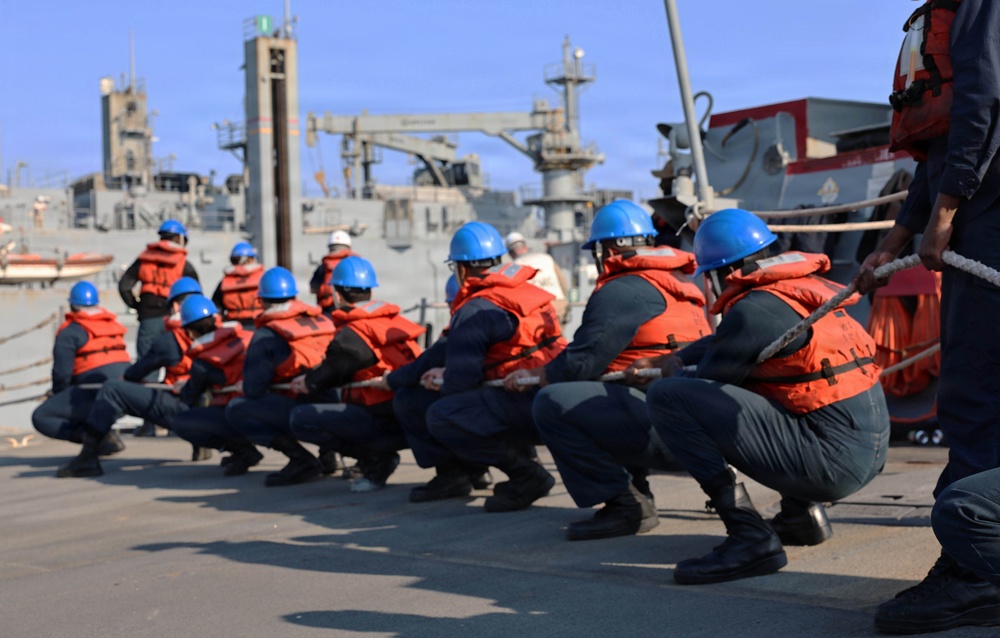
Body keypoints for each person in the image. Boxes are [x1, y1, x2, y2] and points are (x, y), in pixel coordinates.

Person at [639, 208, 888, 585]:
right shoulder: (799, 293)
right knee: (784, 385)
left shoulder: (752, 310)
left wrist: (673, 371)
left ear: (724, 273)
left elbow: (706, 384)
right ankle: (801, 518)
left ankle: (749, 538)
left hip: (833, 466)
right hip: (868, 453)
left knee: (670, 398)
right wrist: (677, 356)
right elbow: (724, 344)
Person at [853, 1, 1000, 633]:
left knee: (974, 392)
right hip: (976, 199)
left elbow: (982, 101)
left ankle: (975, 573)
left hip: (988, 209)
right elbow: (942, 132)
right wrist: (902, 230)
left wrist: (946, 210)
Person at [510, 200, 711, 540]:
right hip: (701, 417)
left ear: (608, 248)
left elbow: (582, 362)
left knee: (554, 401)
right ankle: (638, 492)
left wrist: (541, 375)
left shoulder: (622, 289)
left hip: (671, 431)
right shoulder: (680, 279)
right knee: (610, 393)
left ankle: (624, 505)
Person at [417, 221, 567, 512]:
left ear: (460, 269)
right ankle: (525, 463)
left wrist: (441, 379)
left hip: (526, 401)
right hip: (553, 388)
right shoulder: (524, 291)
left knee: (443, 414)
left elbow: (461, 383)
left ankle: (526, 475)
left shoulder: (474, 308)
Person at [289, 256, 425, 492]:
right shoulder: (393, 321)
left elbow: (330, 373)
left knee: (302, 418)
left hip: (383, 421)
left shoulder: (351, 335)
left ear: (337, 295)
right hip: (414, 417)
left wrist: (308, 383)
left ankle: (376, 459)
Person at [55, 277, 209, 478]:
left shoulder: (169, 341)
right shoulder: (228, 335)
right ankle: (237, 448)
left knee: (112, 389)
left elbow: (134, 374)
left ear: (176, 306)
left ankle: (88, 457)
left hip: (190, 413)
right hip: (223, 412)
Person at [225, 266, 336, 486]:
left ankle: (301, 460)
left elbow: (254, 389)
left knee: (238, 409)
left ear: (261, 301)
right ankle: (329, 454)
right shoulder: (322, 321)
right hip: (339, 404)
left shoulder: (266, 335)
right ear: (295, 296)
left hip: (304, 410)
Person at [33, 281, 132, 472]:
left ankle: (99, 440)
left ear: (72, 305)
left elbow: (62, 374)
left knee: (42, 416)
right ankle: (103, 435)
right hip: (126, 393)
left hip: (95, 393)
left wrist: (57, 394)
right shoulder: (111, 324)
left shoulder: (70, 332)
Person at [169, 295, 262, 476]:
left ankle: (242, 450)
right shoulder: (246, 336)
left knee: (182, 422)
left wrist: (183, 388)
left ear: (189, 332)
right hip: (266, 403)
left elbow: (190, 396)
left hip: (240, 413)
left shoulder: (203, 362)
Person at [118, 220, 199, 362]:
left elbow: (124, 286)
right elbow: (196, 296)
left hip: (148, 318)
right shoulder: (184, 264)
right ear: (179, 238)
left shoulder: (144, 259)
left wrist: (137, 306)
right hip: (175, 320)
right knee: (177, 363)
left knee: (146, 363)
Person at [504, 231, 570, 323]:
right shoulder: (546, 258)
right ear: (526, 247)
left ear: (510, 253)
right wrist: (564, 300)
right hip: (558, 304)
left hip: (536, 311)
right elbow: (563, 282)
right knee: (559, 336)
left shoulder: (513, 267)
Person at [211, 241, 264, 329]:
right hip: (259, 325)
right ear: (252, 258)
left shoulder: (224, 282)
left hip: (234, 327)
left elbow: (216, 307)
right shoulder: (263, 279)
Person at [309, 230, 357, 313]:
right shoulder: (353, 265)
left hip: (327, 310)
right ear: (349, 248)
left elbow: (312, 288)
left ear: (330, 248)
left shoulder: (323, 266)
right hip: (349, 309)